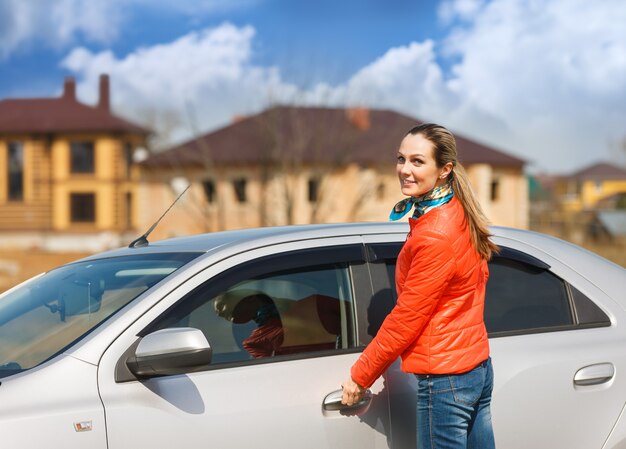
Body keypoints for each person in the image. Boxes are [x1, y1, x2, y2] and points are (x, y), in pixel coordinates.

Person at [341, 123, 498, 449]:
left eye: (417, 161)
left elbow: (406, 319)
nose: (404, 170)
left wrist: (361, 375)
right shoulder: (455, 212)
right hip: (476, 366)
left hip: (446, 377)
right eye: (401, 159)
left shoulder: (435, 233)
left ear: (444, 170)